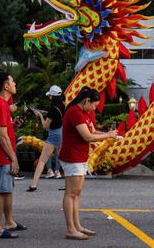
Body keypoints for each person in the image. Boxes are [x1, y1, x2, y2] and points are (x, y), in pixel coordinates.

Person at [59, 86, 118, 240]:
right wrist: (107, 135)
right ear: (86, 101)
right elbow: (87, 136)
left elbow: (93, 131)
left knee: (76, 193)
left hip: (80, 156)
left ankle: (77, 226)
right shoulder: (74, 112)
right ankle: (71, 229)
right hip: (72, 156)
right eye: (93, 105)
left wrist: (108, 135)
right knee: (71, 193)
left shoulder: (86, 112)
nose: (94, 108)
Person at [0, 72, 25, 239]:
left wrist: (13, 124)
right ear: (6, 86)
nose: (15, 83)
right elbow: (2, 137)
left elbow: (4, 130)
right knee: (1, 190)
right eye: (12, 81)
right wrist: (14, 158)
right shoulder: (0, 105)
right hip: (1, 155)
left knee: (7, 190)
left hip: (4, 154)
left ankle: (9, 222)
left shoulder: (1, 103)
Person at [27, 85, 65, 192]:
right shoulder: (62, 106)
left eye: (50, 96)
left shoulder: (52, 109)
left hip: (53, 136)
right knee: (63, 160)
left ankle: (33, 184)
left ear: (52, 96)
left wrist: (40, 115)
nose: (49, 98)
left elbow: (45, 126)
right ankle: (68, 184)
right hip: (62, 133)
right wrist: (45, 113)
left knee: (42, 160)